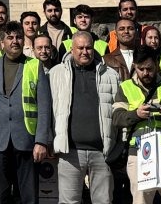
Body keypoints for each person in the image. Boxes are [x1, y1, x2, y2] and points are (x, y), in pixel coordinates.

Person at [49, 32, 125, 204]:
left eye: (88, 47)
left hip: (103, 152)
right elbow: (48, 110)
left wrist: (118, 147)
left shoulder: (111, 75)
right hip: (70, 153)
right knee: (69, 202)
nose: (85, 52)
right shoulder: (56, 73)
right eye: (80, 48)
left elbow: (120, 112)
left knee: (103, 201)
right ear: (72, 49)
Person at [0, 21, 53, 204]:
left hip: (27, 141)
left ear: (24, 41)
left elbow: (45, 107)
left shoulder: (34, 65)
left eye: (19, 37)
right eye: (10, 37)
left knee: (28, 197)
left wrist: (41, 141)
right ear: (2, 42)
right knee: (1, 197)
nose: (15, 41)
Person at [111, 52, 161, 204]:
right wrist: (136, 114)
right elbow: (117, 119)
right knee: (141, 201)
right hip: (140, 154)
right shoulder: (125, 88)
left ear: (157, 65)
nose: (145, 73)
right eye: (140, 69)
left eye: (149, 69)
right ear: (134, 66)